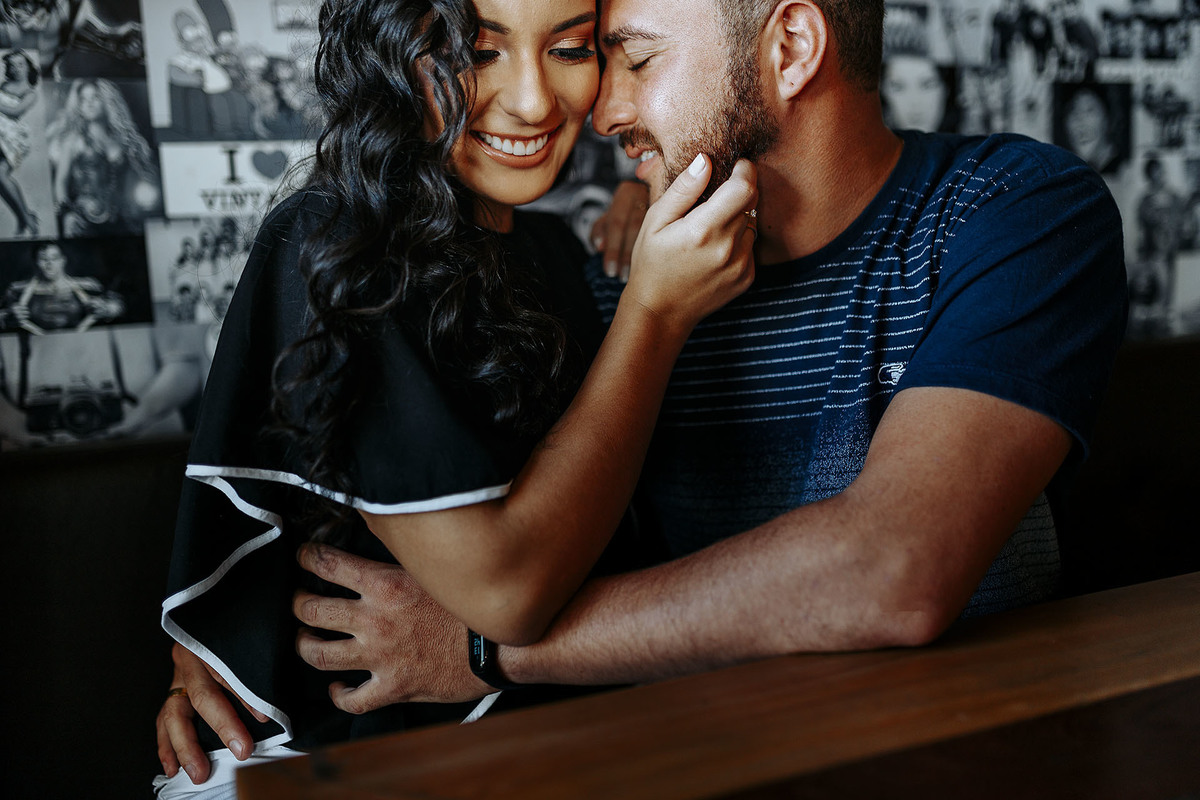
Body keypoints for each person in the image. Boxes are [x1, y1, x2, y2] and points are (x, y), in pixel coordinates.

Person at [162, 0, 1126, 778]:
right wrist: (244, 635)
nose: (594, 109)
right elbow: (411, 473)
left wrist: (480, 651)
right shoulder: (611, 278)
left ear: (789, 48)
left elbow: (893, 574)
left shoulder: (1013, 210)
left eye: (625, 55)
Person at [154, 0, 755, 795]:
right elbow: (504, 594)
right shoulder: (334, 241)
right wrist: (654, 313)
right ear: (389, 57)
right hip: (332, 754)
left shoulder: (547, 251)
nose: (535, 99)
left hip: (534, 735)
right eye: (478, 52)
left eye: (571, 49)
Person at [45, 77, 160, 237]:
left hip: (122, 218)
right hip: (84, 217)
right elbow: (60, 182)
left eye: (95, 97)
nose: (89, 103)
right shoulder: (73, 140)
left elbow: (144, 175)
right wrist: (67, 214)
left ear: (107, 101)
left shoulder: (124, 139)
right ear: (78, 105)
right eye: (83, 99)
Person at [1, 240, 123, 333]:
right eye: (43, 259)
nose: (49, 264)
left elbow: (120, 306)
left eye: (54, 258)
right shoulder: (16, 290)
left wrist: (109, 309)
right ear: (35, 262)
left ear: (63, 260)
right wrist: (7, 318)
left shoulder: (89, 286)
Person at [0, 49, 39, 235]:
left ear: (28, 66)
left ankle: (27, 219)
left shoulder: (30, 92)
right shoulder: (4, 85)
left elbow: (14, 112)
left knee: (1, 176)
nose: (16, 68)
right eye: (12, 65)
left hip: (13, 140)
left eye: (20, 64)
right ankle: (24, 217)